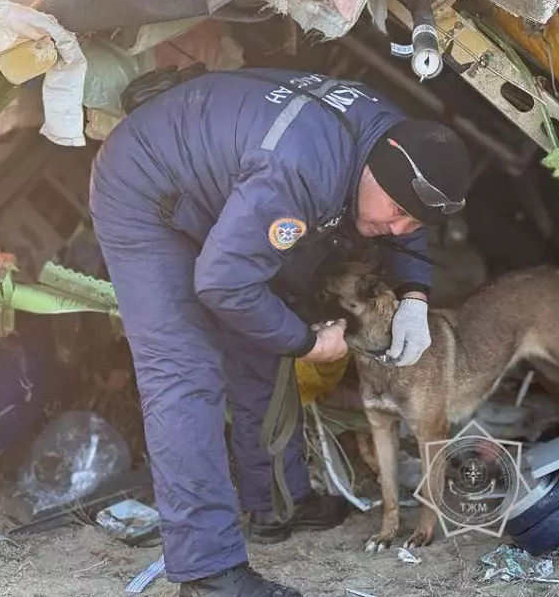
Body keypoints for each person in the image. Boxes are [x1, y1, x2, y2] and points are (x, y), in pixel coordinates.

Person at [87, 66, 472, 597]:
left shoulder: (394, 141)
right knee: (184, 371)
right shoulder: (300, 171)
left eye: (416, 222)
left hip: (223, 179)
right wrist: (310, 343)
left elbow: (405, 223)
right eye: (399, 213)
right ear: (373, 174)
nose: (400, 230)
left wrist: (414, 294)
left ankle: (278, 503)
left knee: (259, 336)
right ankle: (208, 572)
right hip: (146, 186)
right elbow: (222, 284)